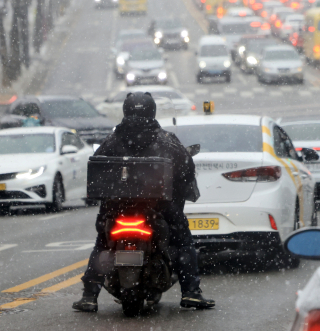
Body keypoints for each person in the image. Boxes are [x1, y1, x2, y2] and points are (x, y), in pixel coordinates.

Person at [72, 92, 215, 312]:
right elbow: (186, 169)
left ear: (126, 110)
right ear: (152, 110)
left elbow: (97, 170)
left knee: (102, 243)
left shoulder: (112, 140)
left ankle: (89, 296)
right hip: (158, 206)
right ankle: (191, 293)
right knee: (182, 242)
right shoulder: (167, 140)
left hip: (116, 206)